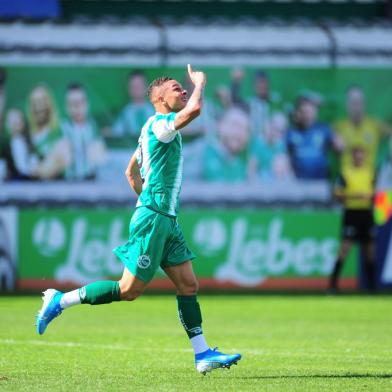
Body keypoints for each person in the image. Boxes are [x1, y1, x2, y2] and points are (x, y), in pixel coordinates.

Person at [36, 65, 241, 374]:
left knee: (188, 284)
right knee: (128, 290)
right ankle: (59, 300)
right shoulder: (161, 125)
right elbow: (196, 109)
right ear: (159, 98)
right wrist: (199, 83)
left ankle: (202, 355)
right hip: (155, 219)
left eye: (183, 88)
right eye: (176, 88)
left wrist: (148, 200)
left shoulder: (149, 129)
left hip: (164, 218)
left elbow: (130, 172)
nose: (183, 91)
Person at [329, 145, 376, 293]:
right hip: (351, 212)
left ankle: (371, 287)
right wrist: (354, 196)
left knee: (369, 251)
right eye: (356, 155)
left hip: (367, 213)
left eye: (361, 155)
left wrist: (372, 198)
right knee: (344, 249)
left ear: (365, 157)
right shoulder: (346, 173)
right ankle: (332, 285)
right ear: (352, 157)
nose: (359, 158)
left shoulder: (371, 173)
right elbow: (336, 194)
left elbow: (378, 193)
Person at [335, 86, 390, 172]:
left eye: (359, 101)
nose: (356, 105)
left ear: (364, 103)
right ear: (347, 104)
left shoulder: (375, 125)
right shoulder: (338, 127)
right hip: (347, 179)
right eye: (353, 101)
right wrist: (334, 139)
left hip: (370, 180)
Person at [286, 95, 343, 180]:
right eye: (303, 111)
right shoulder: (291, 132)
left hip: (320, 182)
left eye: (310, 110)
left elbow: (340, 147)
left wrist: (338, 143)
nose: (307, 114)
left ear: (315, 111)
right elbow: (286, 156)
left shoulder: (324, 129)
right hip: (298, 183)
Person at [61, 83, 106, 181]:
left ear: (87, 104)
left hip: (92, 182)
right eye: (73, 104)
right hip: (66, 183)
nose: (77, 108)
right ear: (66, 107)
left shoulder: (94, 128)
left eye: (80, 102)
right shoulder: (61, 130)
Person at [28, 84, 71, 179]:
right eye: (35, 102)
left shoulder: (61, 128)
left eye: (42, 101)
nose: (39, 107)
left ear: (49, 103)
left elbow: (66, 160)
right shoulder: (27, 134)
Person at [202, 107, 250, 182]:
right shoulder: (200, 155)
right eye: (235, 125)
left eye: (245, 129)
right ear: (220, 126)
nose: (239, 133)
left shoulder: (241, 166)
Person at [111, 70, 154, 145]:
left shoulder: (155, 110)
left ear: (147, 87)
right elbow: (116, 132)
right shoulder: (125, 112)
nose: (137, 89)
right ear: (129, 88)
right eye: (133, 86)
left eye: (139, 85)